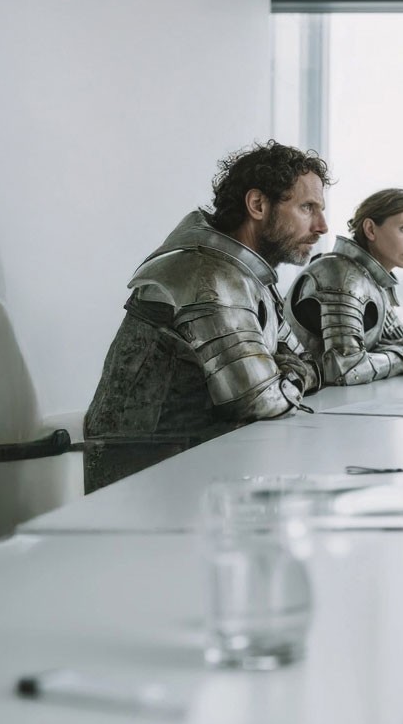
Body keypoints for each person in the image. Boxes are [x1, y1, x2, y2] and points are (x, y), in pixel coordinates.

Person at [82, 142, 330, 493]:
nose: (322, 226)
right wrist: (293, 374)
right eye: (307, 208)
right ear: (258, 205)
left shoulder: (249, 276)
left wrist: (289, 374)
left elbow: (306, 361)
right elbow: (261, 401)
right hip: (149, 489)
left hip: (201, 472)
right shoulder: (209, 275)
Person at [286, 187, 403, 384]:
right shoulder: (341, 274)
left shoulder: (370, 280)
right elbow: (346, 369)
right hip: (308, 399)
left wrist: (400, 356)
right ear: (370, 229)